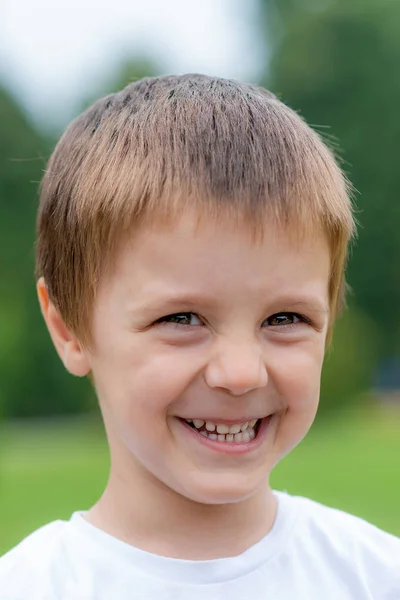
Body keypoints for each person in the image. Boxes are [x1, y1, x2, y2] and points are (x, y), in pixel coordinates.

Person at [0, 74, 398, 599]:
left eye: (284, 319)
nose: (240, 373)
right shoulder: (31, 586)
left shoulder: (375, 575)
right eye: (182, 319)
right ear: (69, 328)